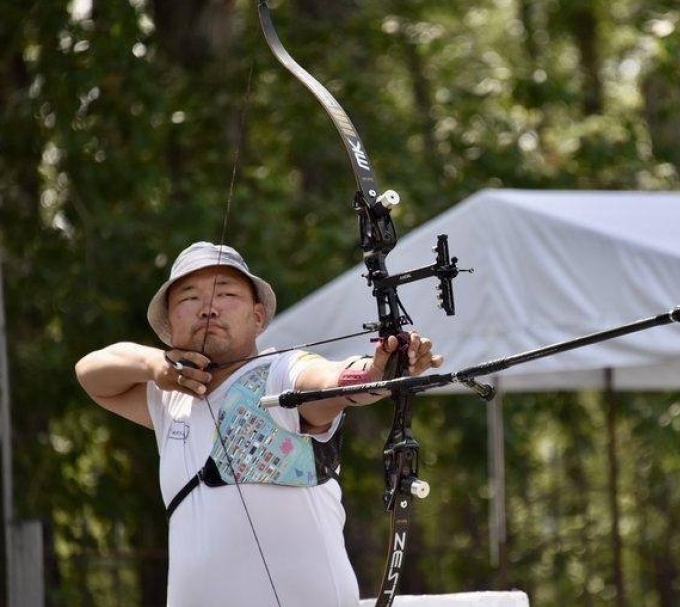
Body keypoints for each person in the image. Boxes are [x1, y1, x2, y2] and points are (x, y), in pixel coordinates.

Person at [75, 241, 443, 607]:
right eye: (189, 298)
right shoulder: (169, 400)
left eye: (226, 294)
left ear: (257, 317)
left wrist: (379, 370)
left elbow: (331, 380)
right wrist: (155, 365)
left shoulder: (281, 375)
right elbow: (90, 373)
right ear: (169, 325)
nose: (208, 308)